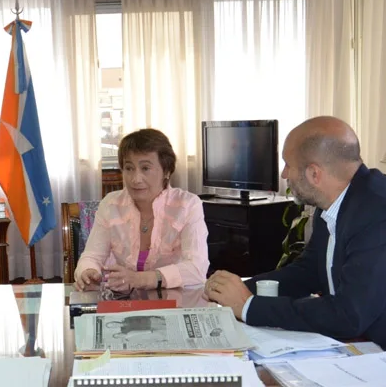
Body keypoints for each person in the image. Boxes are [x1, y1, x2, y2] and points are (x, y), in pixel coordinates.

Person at [205, 116, 386, 349]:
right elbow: (307, 272)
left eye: (287, 164)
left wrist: (249, 306)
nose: (283, 175)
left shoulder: (377, 212)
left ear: (314, 174)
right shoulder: (333, 203)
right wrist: (235, 290)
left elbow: (348, 315)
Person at [74, 128, 209, 292]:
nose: (135, 179)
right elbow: (91, 256)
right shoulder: (110, 204)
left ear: (166, 171)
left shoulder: (188, 205)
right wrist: (88, 272)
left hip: (174, 301)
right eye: (129, 168)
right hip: (123, 303)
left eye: (145, 168)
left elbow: (197, 268)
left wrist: (141, 279)